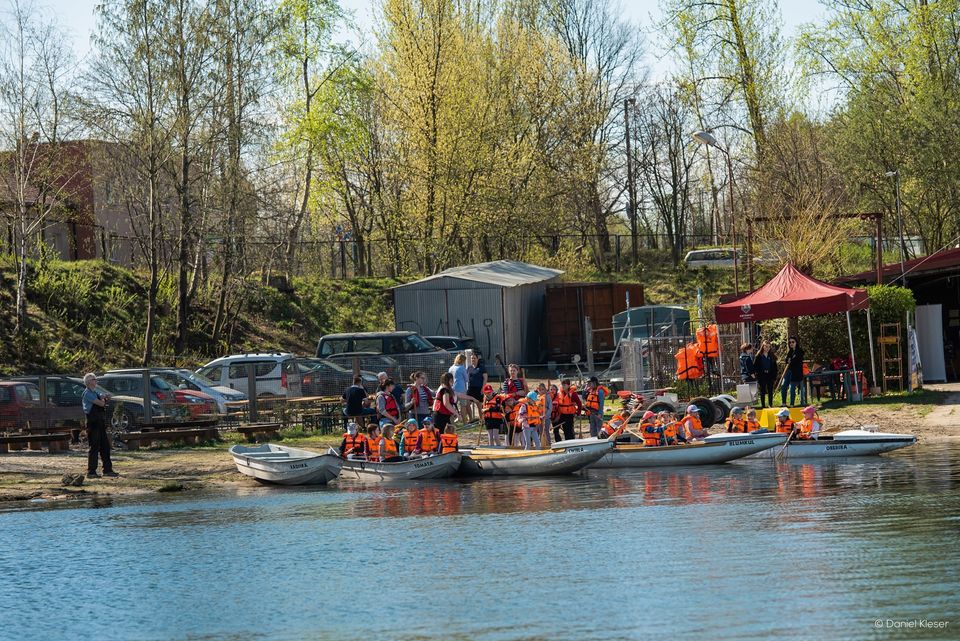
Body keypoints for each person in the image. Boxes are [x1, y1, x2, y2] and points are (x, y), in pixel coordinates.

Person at [82, 373, 117, 478]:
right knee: (94, 447)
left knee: (105, 446)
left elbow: (102, 397)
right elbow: (101, 403)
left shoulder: (94, 391)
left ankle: (107, 469)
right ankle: (91, 471)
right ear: (89, 382)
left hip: (100, 422)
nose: (96, 381)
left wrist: (105, 397)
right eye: (94, 379)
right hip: (93, 424)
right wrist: (104, 399)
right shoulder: (87, 393)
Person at [780, 336, 807, 407]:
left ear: (796, 342)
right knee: (783, 386)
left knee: (792, 388)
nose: (791, 343)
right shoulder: (790, 351)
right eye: (790, 342)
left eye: (793, 342)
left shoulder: (800, 351)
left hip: (796, 373)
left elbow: (795, 361)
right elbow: (786, 360)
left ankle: (792, 404)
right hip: (789, 371)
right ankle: (784, 403)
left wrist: (790, 360)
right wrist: (789, 360)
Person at [754, 341, 777, 409]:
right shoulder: (759, 355)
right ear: (763, 346)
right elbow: (755, 366)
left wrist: (774, 376)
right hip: (762, 375)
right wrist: (757, 374)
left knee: (770, 390)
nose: (767, 348)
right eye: (766, 346)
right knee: (763, 390)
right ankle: (763, 405)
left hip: (770, 375)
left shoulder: (772, 356)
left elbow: (775, 367)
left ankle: (770, 404)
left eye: (769, 347)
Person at [465, 352, 487, 419]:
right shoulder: (469, 367)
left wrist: (483, 388)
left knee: (479, 405)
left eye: (474, 358)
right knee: (467, 404)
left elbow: (485, 378)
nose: (473, 360)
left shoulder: (481, 367)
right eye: (472, 358)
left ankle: (481, 420)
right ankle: (471, 419)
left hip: (479, 388)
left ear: (477, 359)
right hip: (470, 388)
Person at [536, 383, 552, 447]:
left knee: (546, 430)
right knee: (540, 431)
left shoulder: (547, 397)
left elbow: (550, 408)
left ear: (545, 389)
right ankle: (542, 443)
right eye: (539, 389)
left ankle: (548, 443)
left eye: (542, 389)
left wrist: (546, 415)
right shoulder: (537, 397)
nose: (541, 391)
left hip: (546, 417)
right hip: (539, 417)